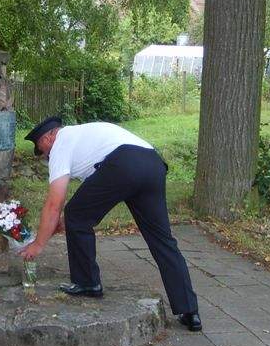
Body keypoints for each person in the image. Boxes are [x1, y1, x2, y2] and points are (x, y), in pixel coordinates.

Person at [19, 116, 202, 331]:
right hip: (152, 164)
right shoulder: (85, 136)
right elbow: (91, 198)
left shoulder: (61, 143)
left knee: (75, 214)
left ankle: (87, 282)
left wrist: (38, 245)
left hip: (123, 163)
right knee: (162, 240)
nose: (44, 156)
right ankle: (189, 311)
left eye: (42, 149)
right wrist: (62, 223)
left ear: (50, 136)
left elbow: (54, 203)